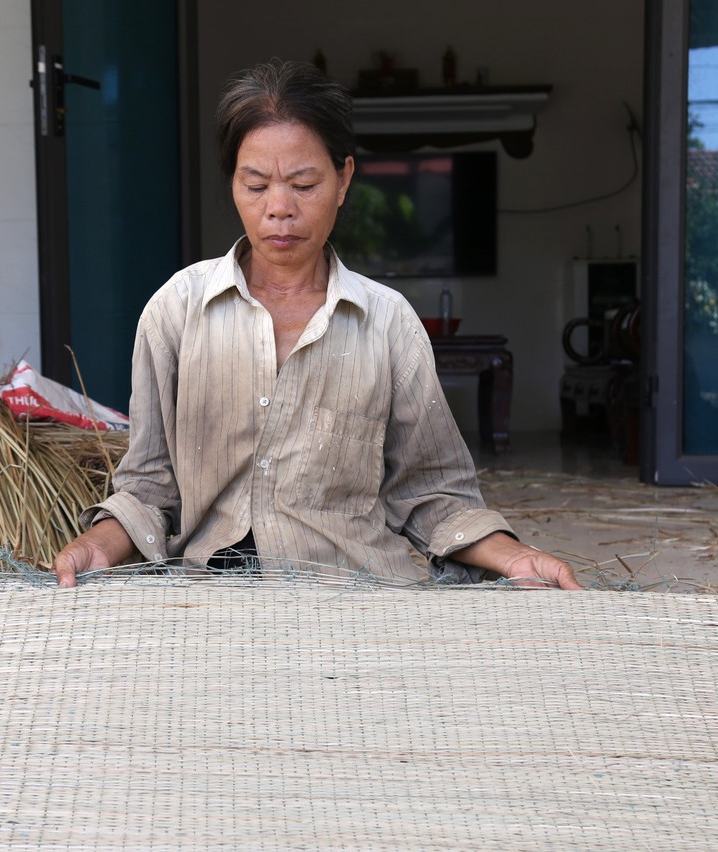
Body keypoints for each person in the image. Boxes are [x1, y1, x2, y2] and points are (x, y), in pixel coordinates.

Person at [53, 60, 581, 591]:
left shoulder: (387, 321)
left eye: (304, 184)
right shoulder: (178, 309)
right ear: (233, 182)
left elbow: (432, 494)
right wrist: (96, 543)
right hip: (207, 609)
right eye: (255, 185)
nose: (279, 209)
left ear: (344, 178)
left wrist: (514, 556)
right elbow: (150, 485)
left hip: (357, 601)